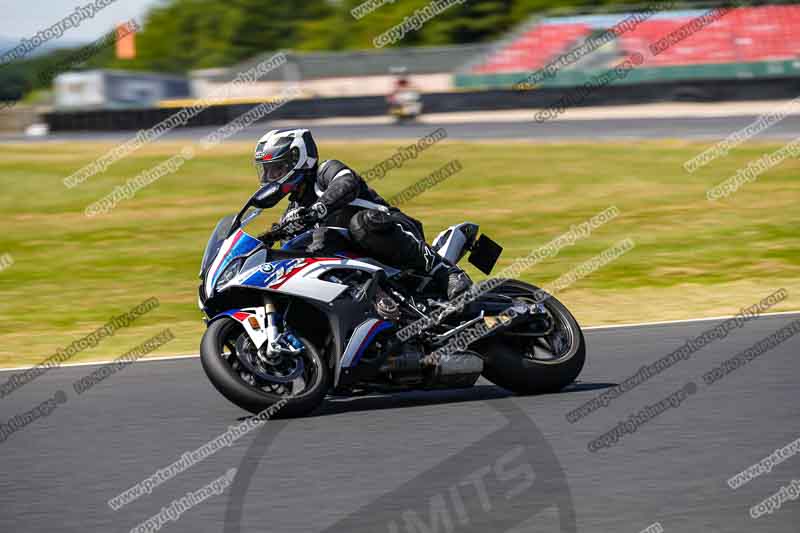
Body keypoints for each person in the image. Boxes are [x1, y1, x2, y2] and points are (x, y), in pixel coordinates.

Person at [253, 128, 470, 299]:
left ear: (297, 160)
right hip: (362, 265)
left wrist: (317, 210)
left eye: (276, 169)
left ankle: (446, 271)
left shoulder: (325, 172)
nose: (270, 177)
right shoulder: (293, 211)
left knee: (361, 224)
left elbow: (347, 183)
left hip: (392, 230)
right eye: (267, 171)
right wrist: (266, 239)